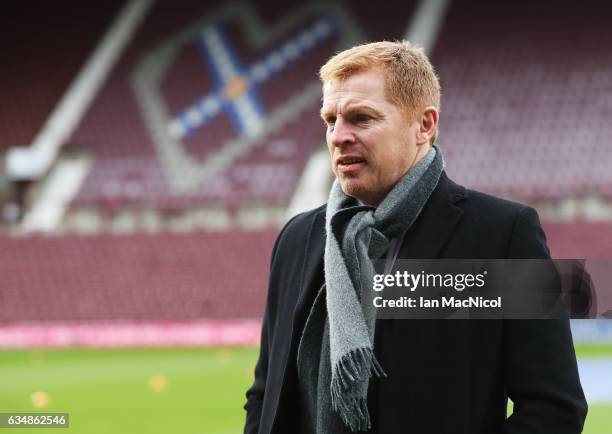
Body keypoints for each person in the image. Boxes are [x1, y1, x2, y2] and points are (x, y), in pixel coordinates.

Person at [244, 41, 587, 434]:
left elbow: (554, 411)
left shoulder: (501, 235)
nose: (338, 136)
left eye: (361, 118)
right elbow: (265, 395)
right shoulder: (297, 238)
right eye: (330, 120)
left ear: (424, 125)